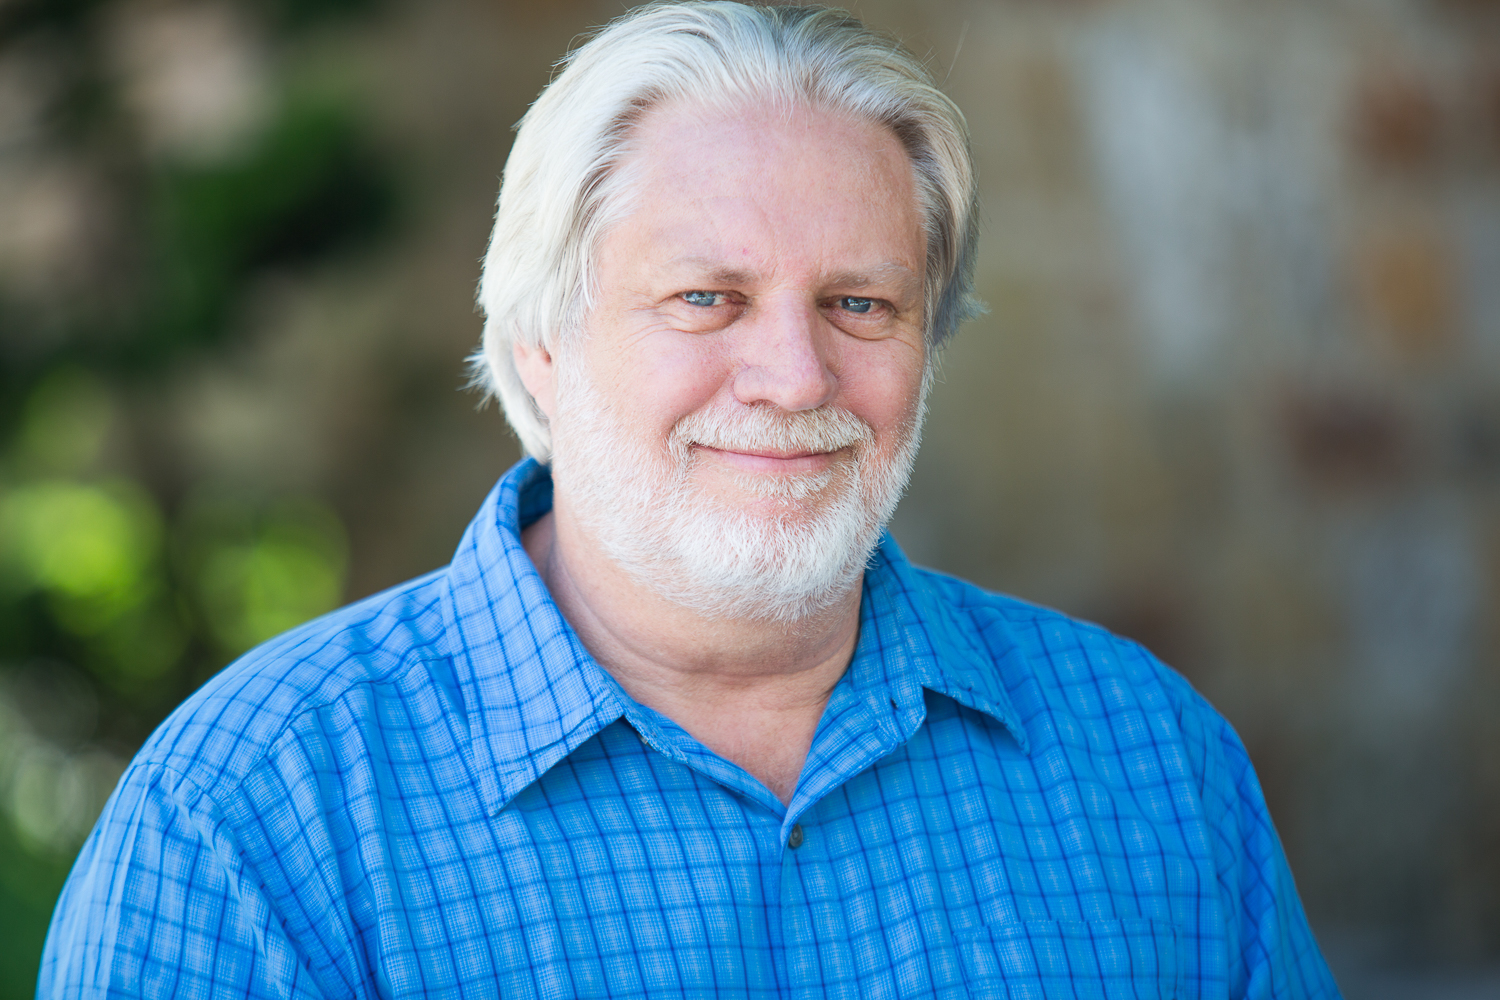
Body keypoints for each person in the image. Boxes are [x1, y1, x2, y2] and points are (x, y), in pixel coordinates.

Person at [39, 3, 1341, 997]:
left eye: (860, 304)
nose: (793, 376)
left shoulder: (1152, 767)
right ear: (541, 341)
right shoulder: (254, 821)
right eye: (706, 298)